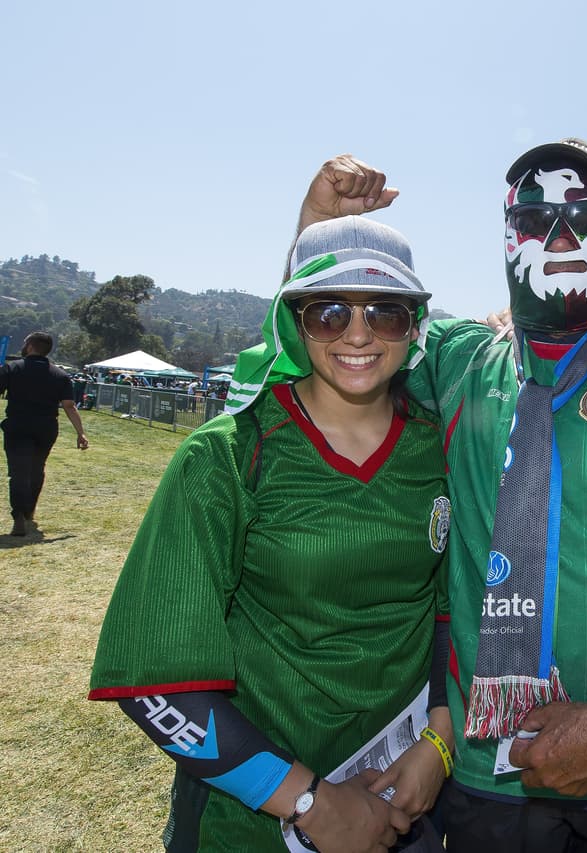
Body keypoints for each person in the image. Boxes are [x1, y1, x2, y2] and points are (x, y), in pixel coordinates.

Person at [294, 143, 587, 852]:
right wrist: (320, 230)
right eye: (534, 219)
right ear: (506, 235)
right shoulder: (459, 358)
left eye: (583, 217)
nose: (559, 236)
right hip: (485, 773)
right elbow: (336, 341)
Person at [90, 216, 453, 851]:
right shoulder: (229, 454)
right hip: (252, 821)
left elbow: (453, 612)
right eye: (329, 313)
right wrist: (311, 804)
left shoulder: (441, 446)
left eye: (387, 312)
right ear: (294, 321)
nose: (359, 334)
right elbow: (156, 681)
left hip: (406, 800)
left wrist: (440, 742)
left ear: (415, 324)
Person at [0, 331, 89, 536]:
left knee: (18, 472)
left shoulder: (12, 368)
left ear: (30, 346)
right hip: (46, 428)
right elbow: (69, 405)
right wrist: (80, 433)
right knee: (37, 469)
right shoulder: (60, 375)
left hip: (18, 427)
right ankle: (29, 510)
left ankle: (19, 515)